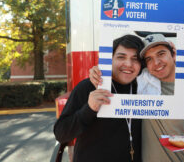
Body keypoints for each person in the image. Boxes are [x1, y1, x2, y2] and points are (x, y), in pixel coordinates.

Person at [90, 33, 184, 162]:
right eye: (149, 59)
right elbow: (119, 75)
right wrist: (98, 72)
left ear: (173, 54)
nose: (156, 62)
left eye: (161, 54)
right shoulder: (142, 85)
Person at [54, 34, 144, 162]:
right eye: (121, 57)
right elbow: (61, 134)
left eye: (135, 59)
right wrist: (89, 109)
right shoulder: (89, 87)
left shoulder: (145, 89)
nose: (128, 64)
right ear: (110, 59)